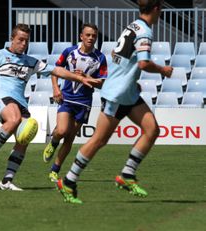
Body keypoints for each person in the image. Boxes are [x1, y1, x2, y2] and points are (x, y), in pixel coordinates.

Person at [0, 23, 102, 191]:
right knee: (14, 119)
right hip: (2, 97)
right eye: (20, 40)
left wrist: (80, 79)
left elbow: (57, 71)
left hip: (20, 102)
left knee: (24, 138)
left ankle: (6, 181)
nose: (24, 44)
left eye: (26, 41)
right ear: (12, 39)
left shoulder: (30, 62)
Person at [56, 0, 173, 204]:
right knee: (99, 140)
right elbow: (144, 63)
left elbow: (116, 55)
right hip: (117, 94)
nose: (160, 13)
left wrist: (130, 78)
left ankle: (127, 175)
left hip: (127, 92)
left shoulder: (133, 26)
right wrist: (163, 70)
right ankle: (68, 180)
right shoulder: (144, 31)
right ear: (156, 9)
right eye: (160, 9)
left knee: (152, 129)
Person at [42, 24, 107, 183]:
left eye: (94, 36)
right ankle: (54, 141)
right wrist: (56, 88)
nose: (91, 38)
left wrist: (87, 77)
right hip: (67, 98)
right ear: (81, 36)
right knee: (62, 130)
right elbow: (55, 70)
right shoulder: (69, 52)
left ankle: (54, 171)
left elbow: (102, 83)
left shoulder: (100, 58)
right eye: (88, 35)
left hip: (84, 103)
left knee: (70, 138)